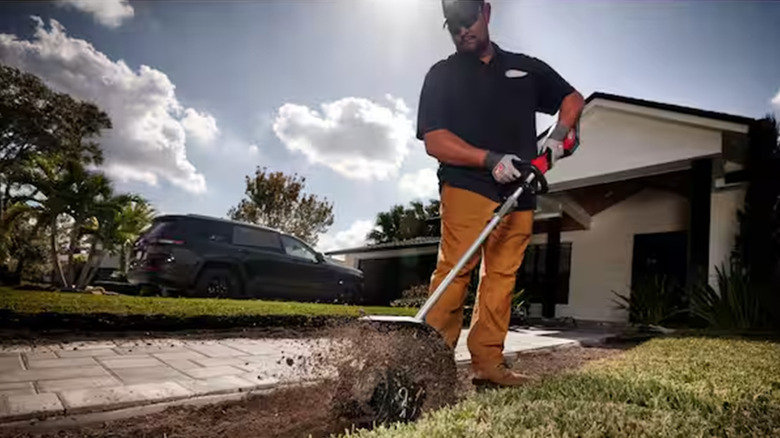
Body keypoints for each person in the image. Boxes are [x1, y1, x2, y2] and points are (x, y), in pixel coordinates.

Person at [416, 0, 584, 386]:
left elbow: (571, 100)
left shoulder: (526, 68)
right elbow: (435, 139)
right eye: (453, 25)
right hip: (467, 184)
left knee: (501, 277)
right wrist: (489, 159)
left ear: (486, 12)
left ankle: (489, 365)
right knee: (455, 271)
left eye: (468, 20)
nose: (463, 31)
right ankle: (430, 367)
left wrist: (560, 135)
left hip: (522, 190)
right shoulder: (441, 75)